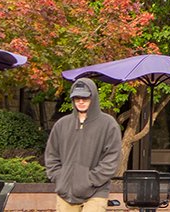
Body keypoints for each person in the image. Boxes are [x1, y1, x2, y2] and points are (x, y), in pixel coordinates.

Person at [45, 78, 123, 212]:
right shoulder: (62, 125)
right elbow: (51, 156)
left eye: (85, 98)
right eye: (77, 98)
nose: (80, 102)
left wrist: (90, 180)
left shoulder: (108, 125)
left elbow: (112, 159)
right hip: (66, 193)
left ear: (93, 98)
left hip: (96, 192)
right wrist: (60, 177)